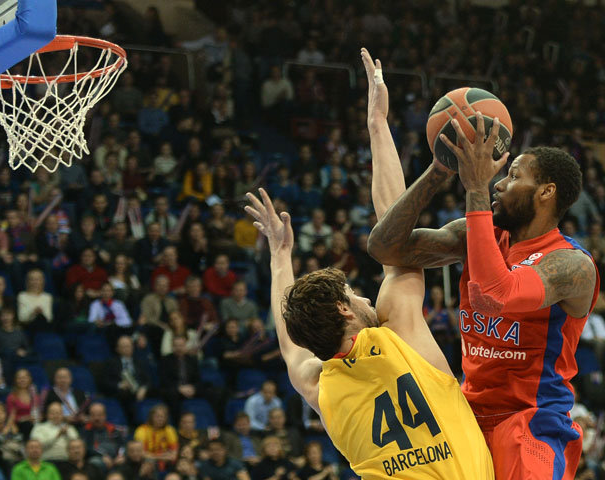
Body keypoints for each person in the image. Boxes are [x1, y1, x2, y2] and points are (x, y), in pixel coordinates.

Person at [243, 49, 493, 479]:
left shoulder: (318, 384)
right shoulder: (397, 335)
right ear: (345, 310)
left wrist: (279, 258)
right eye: (352, 294)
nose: (362, 297)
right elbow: (393, 239)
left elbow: (289, 344)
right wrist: (378, 123)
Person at [367, 100, 599, 479]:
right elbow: (384, 248)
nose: (500, 183)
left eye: (514, 176)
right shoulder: (475, 234)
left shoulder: (572, 265)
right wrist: (438, 171)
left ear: (546, 192)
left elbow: (497, 294)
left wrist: (476, 186)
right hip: (466, 413)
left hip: (530, 421)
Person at [133, 404, 178, 473]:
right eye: (157, 416)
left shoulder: (169, 430)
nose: (160, 419)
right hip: (147, 461)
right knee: (148, 463)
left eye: (162, 417)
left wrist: (155, 456)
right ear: (151, 417)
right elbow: (140, 453)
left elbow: (173, 454)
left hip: (166, 462)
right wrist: (160, 457)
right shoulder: (141, 430)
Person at [81, 403, 126, 471]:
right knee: (95, 462)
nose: (97, 418)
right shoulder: (86, 431)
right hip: (98, 458)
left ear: (105, 416)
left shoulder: (113, 429)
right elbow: (87, 448)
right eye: (93, 415)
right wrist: (102, 456)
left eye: (99, 415)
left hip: (116, 458)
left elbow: (122, 445)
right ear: (89, 416)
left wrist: (121, 456)